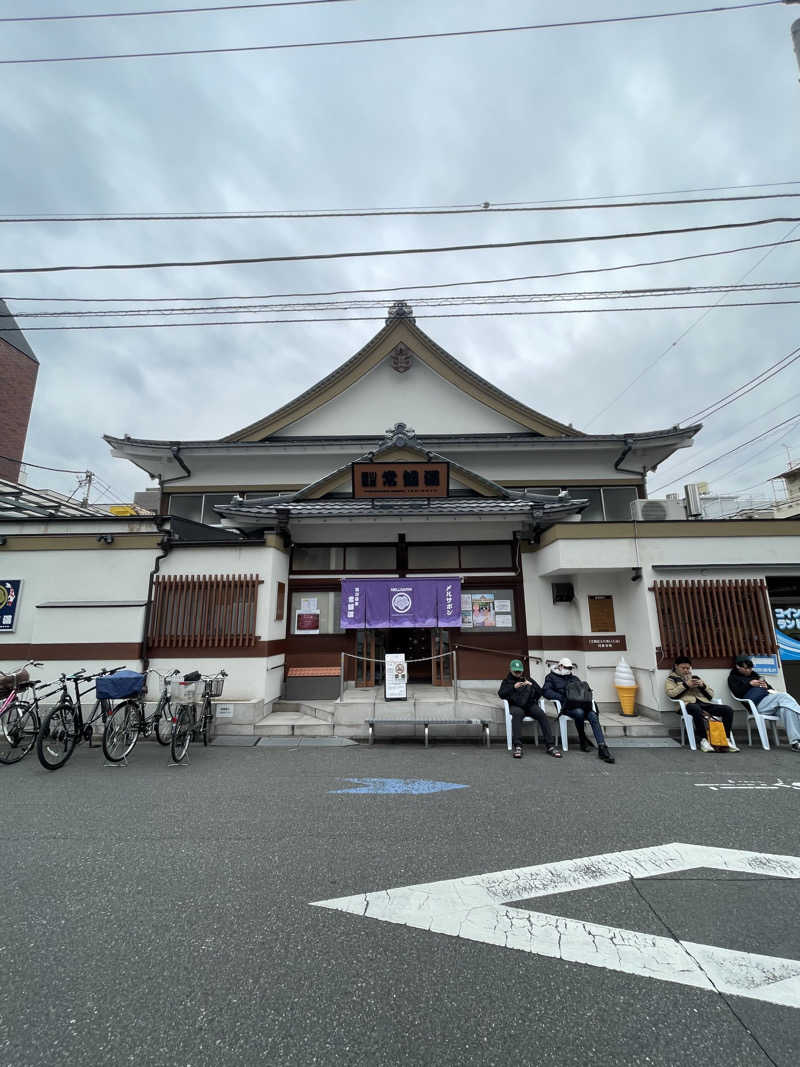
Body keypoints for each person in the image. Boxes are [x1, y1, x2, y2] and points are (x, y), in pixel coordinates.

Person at [542, 657, 615, 764]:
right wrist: (562, 697)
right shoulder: (551, 677)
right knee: (579, 712)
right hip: (566, 707)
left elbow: (583, 692)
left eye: (571, 668)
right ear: (560, 666)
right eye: (567, 667)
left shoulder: (574, 678)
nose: (569, 670)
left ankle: (602, 747)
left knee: (593, 716)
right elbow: (546, 692)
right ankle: (582, 738)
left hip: (581, 705)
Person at [665, 656, 739, 752]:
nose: (686, 670)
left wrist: (702, 686)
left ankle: (725, 739)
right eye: (683, 668)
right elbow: (671, 694)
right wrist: (686, 685)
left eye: (688, 668)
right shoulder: (671, 679)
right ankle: (703, 740)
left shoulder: (695, 678)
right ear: (676, 666)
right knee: (696, 709)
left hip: (703, 703)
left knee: (727, 709)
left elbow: (711, 695)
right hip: (686, 705)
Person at [727, 654, 800, 752]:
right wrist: (749, 684)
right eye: (746, 668)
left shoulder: (755, 675)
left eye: (751, 667)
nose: (749, 670)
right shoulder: (733, 678)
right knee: (784, 695)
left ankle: (795, 743)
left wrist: (766, 686)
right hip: (757, 705)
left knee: (787, 710)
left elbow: (771, 689)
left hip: (770, 701)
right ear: (738, 666)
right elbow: (737, 693)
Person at [498, 659, 562, 759]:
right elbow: (501, 694)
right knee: (517, 714)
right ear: (510, 670)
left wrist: (531, 685)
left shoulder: (527, 679)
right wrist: (513, 687)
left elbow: (540, 692)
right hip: (516, 705)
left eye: (519, 671)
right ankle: (518, 746)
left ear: (522, 670)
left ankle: (550, 745)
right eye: (515, 671)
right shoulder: (507, 681)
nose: (518, 673)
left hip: (529, 705)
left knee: (541, 714)